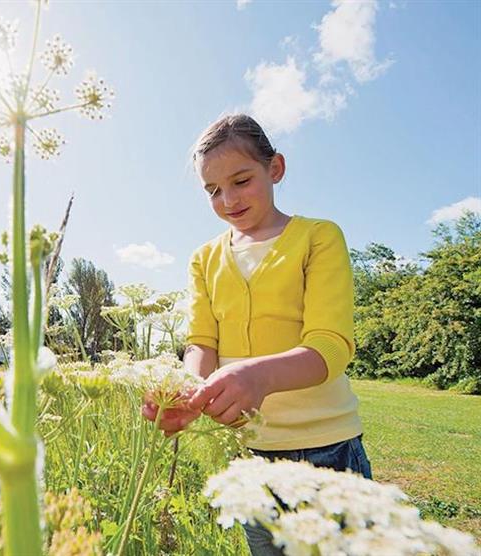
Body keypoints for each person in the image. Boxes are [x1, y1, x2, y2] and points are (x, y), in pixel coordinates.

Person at [142, 113, 372, 556]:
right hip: (250, 458)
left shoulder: (318, 237)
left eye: (241, 180)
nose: (228, 199)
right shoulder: (204, 258)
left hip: (327, 454)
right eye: (212, 190)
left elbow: (330, 346)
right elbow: (201, 343)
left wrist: (260, 377)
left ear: (276, 169)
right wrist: (187, 394)